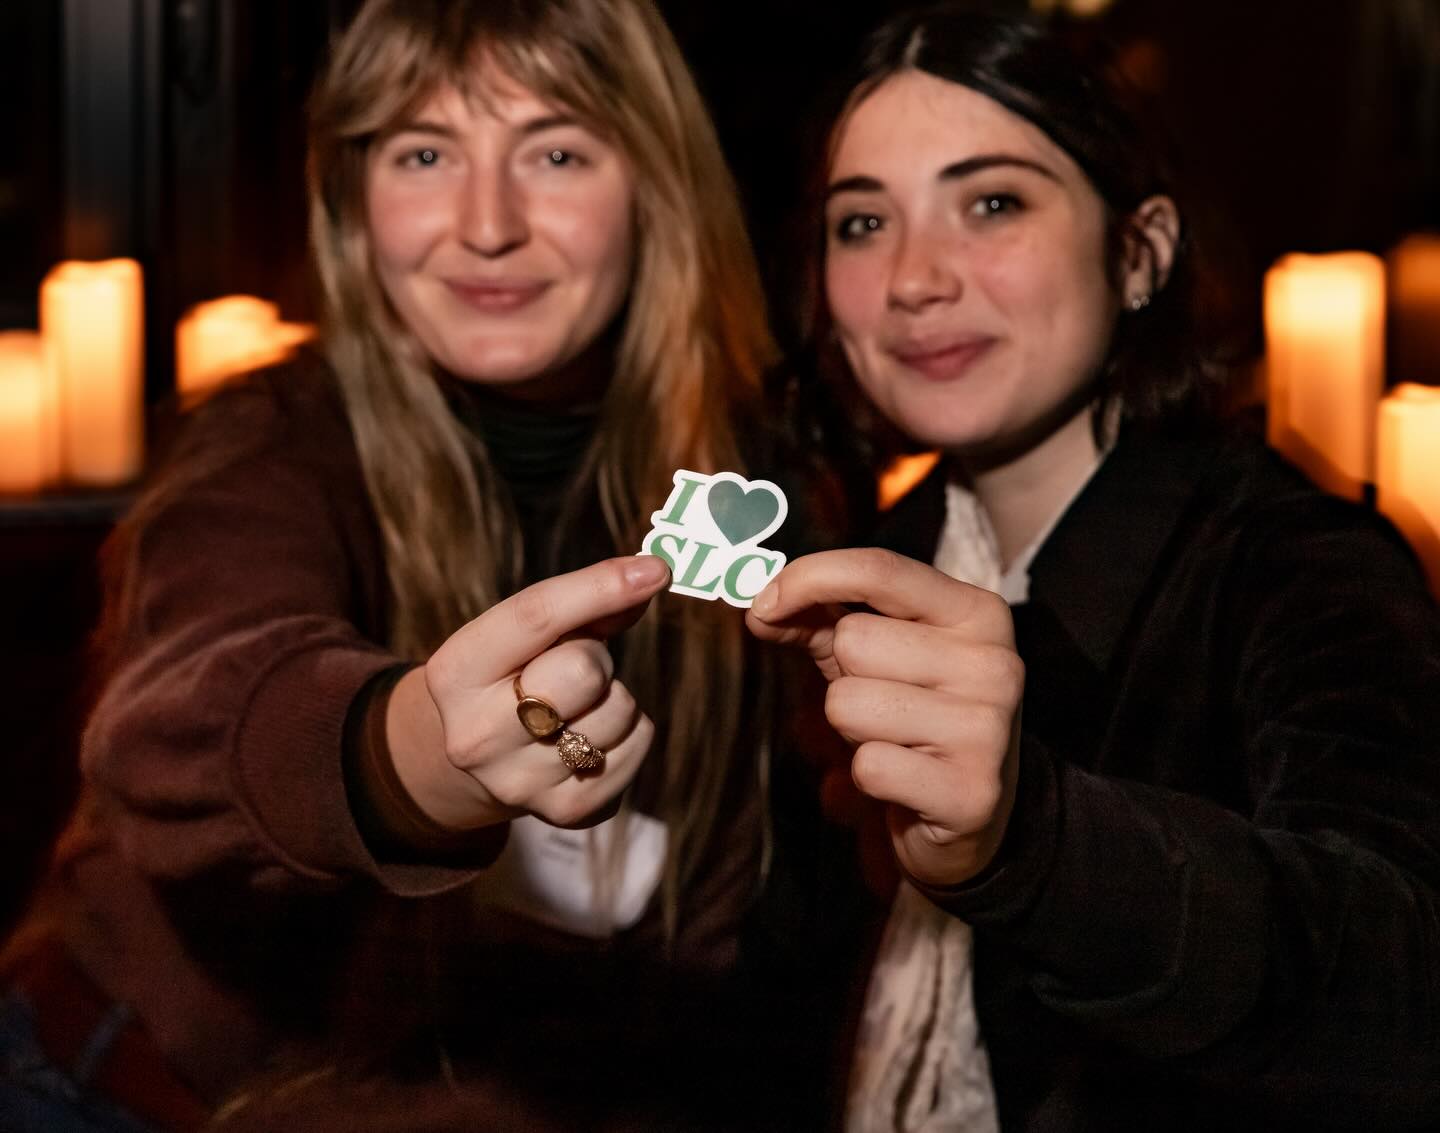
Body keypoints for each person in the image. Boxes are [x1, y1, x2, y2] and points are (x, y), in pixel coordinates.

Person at [0, 1, 833, 1129]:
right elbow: (179, 719)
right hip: (132, 1091)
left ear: (654, 185)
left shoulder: (759, 496)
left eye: (555, 151)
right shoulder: (270, 442)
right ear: (355, 205)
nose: (486, 223)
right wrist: (414, 753)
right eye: (424, 152)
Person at [748, 5, 1440, 1131]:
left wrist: (1031, 839)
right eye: (862, 222)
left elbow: (1397, 992)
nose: (915, 276)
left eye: (993, 202)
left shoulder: (1295, 565)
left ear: (1140, 251)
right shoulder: (847, 571)